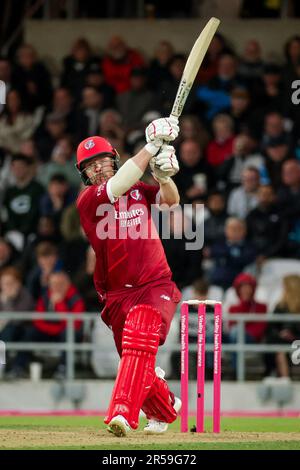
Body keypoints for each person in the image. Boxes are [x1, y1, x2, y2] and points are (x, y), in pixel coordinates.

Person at [76, 116, 182, 436]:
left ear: (115, 159)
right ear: (83, 176)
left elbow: (171, 201)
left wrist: (163, 177)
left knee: (140, 336)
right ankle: (166, 405)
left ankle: (122, 413)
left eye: (103, 160)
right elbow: (118, 184)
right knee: (137, 364)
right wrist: (150, 147)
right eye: (89, 166)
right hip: (116, 294)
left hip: (155, 283)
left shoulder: (137, 190)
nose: (98, 168)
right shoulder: (89, 200)